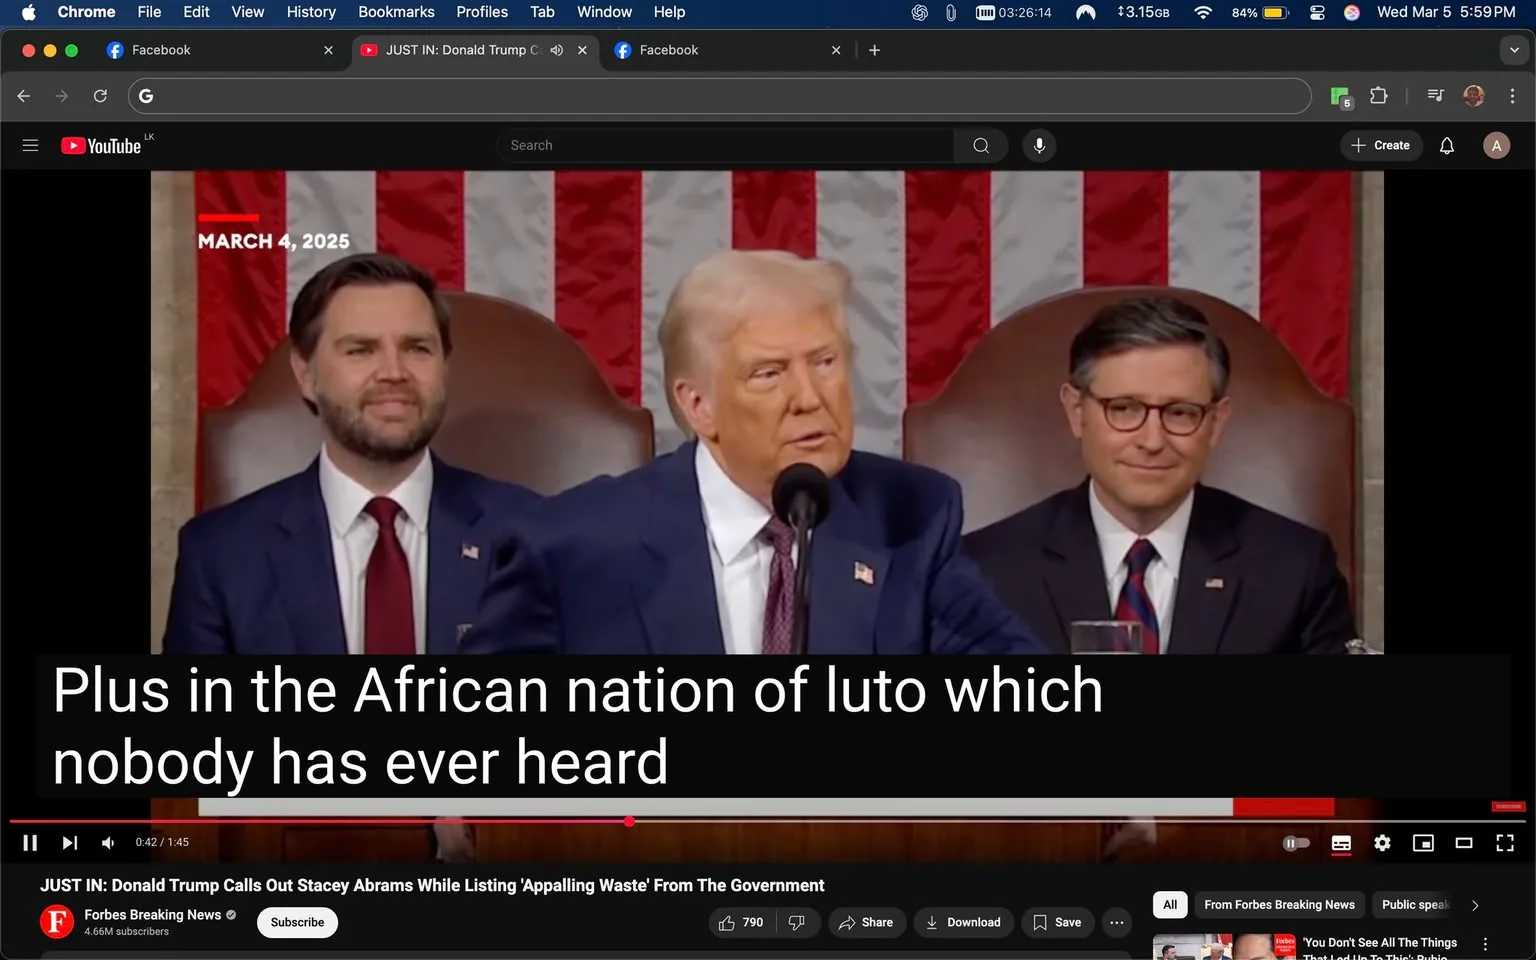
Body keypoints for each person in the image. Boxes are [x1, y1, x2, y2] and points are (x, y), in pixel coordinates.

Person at [464, 249, 1045, 655]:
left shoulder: (910, 518)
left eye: (825, 362)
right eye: (769, 373)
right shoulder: (570, 547)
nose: (810, 398)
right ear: (698, 406)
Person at [162, 253, 540, 859]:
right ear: (305, 373)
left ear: (444, 366)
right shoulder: (221, 555)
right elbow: (187, 774)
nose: (394, 372)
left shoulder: (535, 536)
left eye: (417, 348)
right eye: (361, 350)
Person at [963, 297, 1355, 654]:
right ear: (1076, 410)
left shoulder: (1295, 568)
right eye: (1124, 409)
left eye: (1181, 413)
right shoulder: (984, 571)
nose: (1152, 441)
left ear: (1216, 422)